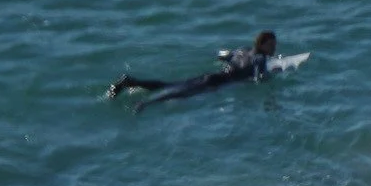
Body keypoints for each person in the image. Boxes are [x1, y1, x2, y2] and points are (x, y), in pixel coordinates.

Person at [108, 31, 287, 113]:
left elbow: (223, 56)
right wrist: (274, 73)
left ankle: (130, 81)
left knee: (169, 85)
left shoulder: (242, 50)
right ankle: (145, 104)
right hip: (217, 84)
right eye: (271, 45)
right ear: (262, 44)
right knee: (179, 94)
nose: (274, 48)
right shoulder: (260, 59)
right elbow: (259, 78)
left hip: (211, 76)